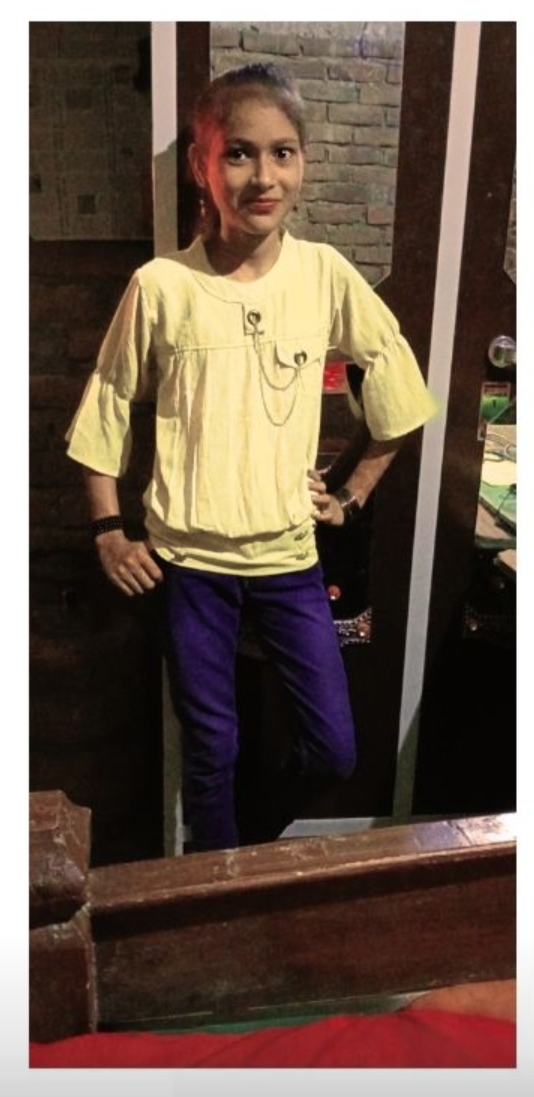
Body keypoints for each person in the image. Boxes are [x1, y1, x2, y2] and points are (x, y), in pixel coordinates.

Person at [66, 62, 437, 853]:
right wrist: (109, 531)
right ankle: (219, 885)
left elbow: (399, 388)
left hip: (289, 561)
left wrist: (352, 492)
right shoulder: (162, 286)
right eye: (238, 152)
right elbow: (108, 404)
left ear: (302, 163)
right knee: (210, 753)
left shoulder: (324, 275)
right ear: (202, 165)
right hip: (188, 568)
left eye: (281, 152)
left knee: (333, 747)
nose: (262, 176)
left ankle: (240, 850)